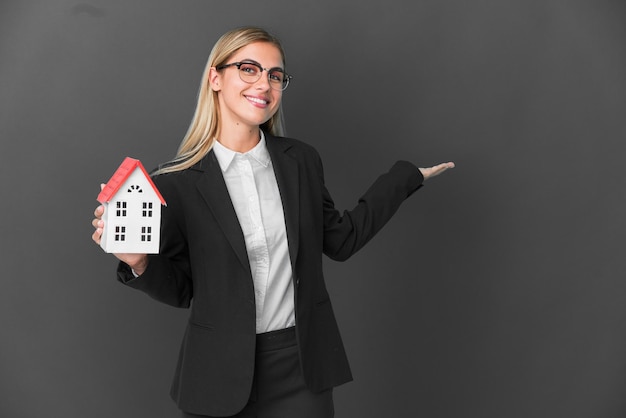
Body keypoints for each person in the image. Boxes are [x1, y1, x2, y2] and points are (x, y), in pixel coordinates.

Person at [91, 26, 454, 418]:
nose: (264, 84)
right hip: (217, 374)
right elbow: (183, 290)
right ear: (216, 78)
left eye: (275, 75)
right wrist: (139, 263)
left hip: (300, 366)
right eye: (249, 69)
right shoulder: (174, 181)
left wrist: (404, 179)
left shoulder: (301, 161)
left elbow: (342, 240)